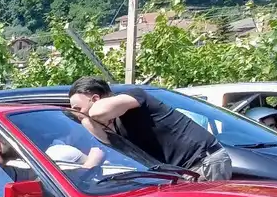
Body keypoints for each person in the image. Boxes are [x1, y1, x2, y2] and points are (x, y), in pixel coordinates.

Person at [68, 76, 231, 181]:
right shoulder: (114, 124)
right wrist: (85, 120)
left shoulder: (134, 96)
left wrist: (89, 115)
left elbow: (98, 111)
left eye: (77, 108)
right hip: (181, 171)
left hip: (203, 161)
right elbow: (104, 143)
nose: (77, 114)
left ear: (96, 98)